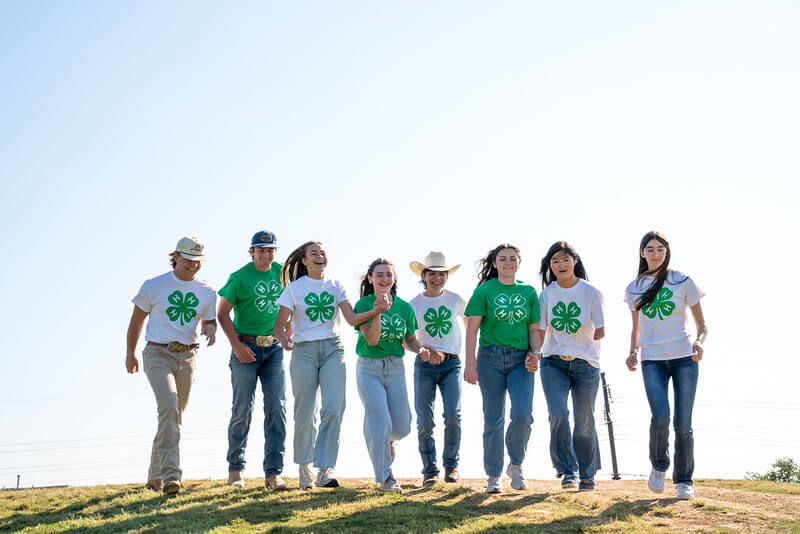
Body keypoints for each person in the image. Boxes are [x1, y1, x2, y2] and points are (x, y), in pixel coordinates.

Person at [273, 241, 387, 490]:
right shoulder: (294, 289)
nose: (320, 256)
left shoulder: (336, 285)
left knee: (334, 408)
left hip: (333, 348)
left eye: (322, 253)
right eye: (314, 253)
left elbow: (352, 319)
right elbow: (279, 324)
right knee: (305, 412)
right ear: (304, 261)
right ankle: (304, 468)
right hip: (303, 351)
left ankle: (324, 470)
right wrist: (283, 338)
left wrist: (376, 310)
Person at [125, 236, 217, 495]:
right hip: (157, 353)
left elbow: (209, 321)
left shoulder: (207, 291)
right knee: (168, 407)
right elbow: (136, 322)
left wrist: (210, 329)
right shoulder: (153, 286)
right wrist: (130, 354)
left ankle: (154, 478)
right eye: (189, 259)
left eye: (198, 261)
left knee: (173, 416)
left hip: (187, 357)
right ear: (176, 256)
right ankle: (171, 477)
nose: (194, 265)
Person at [625, 231, 707, 500]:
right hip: (652, 361)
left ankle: (684, 480)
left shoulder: (682, 281)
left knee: (683, 422)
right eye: (650, 249)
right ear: (642, 253)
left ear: (667, 251)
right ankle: (659, 466)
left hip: (685, 358)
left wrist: (700, 342)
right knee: (661, 414)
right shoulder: (634, 288)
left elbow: (702, 324)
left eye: (660, 248)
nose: (655, 253)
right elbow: (636, 329)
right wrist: (632, 352)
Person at [464, 244, 542, 494]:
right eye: (503, 259)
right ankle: (493, 475)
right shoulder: (484, 291)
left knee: (522, 415)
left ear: (519, 262)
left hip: (521, 359)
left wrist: (535, 353)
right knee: (493, 418)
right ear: (495, 263)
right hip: (490, 358)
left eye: (512, 259)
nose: (508, 263)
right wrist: (470, 363)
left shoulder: (529, 292)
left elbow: (533, 328)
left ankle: (516, 466)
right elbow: (472, 329)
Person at [217, 230, 288, 490]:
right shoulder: (239, 277)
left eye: (270, 250)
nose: (266, 254)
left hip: (274, 349)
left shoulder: (283, 274)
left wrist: (288, 327)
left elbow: (295, 302)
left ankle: (273, 473)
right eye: (261, 250)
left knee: (276, 408)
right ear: (251, 252)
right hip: (245, 348)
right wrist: (236, 345)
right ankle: (236, 470)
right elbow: (222, 313)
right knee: (242, 409)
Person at [354, 258, 431, 493]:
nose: (384, 278)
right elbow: (373, 340)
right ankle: (386, 477)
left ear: (394, 278)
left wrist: (421, 349)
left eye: (388, 274)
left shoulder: (405, 308)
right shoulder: (363, 305)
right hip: (369, 368)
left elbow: (409, 339)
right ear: (370, 279)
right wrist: (378, 310)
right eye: (379, 274)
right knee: (380, 421)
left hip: (396, 367)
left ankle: (384, 440)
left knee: (402, 427)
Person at [534, 241, 605, 492]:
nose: (561, 265)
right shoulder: (546, 294)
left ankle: (587, 474)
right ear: (550, 266)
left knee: (584, 419)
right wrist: (534, 352)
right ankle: (568, 470)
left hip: (587, 363)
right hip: (553, 362)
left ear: (574, 261)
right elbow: (540, 331)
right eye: (555, 261)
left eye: (565, 259)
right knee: (558, 414)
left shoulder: (591, 292)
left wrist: (599, 331)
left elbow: (601, 328)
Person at [408, 251, 466, 485]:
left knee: (453, 414)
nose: (437, 278)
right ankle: (429, 470)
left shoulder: (456, 300)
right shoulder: (413, 304)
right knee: (425, 420)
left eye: (441, 274)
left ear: (447, 276)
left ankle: (451, 466)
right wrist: (424, 351)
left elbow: (472, 322)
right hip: (425, 363)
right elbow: (407, 337)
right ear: (424, 275)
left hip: (452, 363)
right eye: (432, 274)